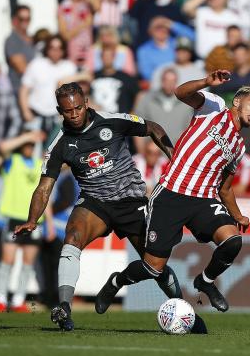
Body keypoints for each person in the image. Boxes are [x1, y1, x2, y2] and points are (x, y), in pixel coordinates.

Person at [13, 83, 182, 331]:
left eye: (78, 108)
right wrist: (32, 220)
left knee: (154, 264)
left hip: (131, 200)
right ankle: (64, 308)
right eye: (68, 110)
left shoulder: (113, 120)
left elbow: (153, 128)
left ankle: (182, 307)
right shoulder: (60, 144)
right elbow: (44, 186)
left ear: (87, 102)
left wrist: (175, 160)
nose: (74, 114)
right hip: (96, 203)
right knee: (72, 237)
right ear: (60, 111)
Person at [94, 70, 250, 314]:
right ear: (237, 101)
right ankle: (116, 282)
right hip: (172, 193)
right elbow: (180, 92)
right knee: (153, 267)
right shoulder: (214, 107)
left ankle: (205, 282)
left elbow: (225, 188)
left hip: (203, 199)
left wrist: (237, 215)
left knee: (232, 241)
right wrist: (206, 82)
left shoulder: (238, 146)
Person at [0, 130, 53, 313]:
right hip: (14, 217)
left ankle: (18, 300)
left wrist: (49, 222)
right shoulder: (13, 162)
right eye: (26, 145)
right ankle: (0, 300)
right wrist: (28, 136)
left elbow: (44, 196)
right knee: (7, 261)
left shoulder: (39, 165)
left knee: (28, 263)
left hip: (35, 220)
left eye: (32, 145)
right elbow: (2, 146)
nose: (29, 147)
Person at [4, 5, 35, 94]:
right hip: (19, 91)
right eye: (22, 19)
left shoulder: (33, 39)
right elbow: (22, 68)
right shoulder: (12, 40)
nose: (25, 22)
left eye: (28, 18)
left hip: (34, 91)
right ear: (15, 20)